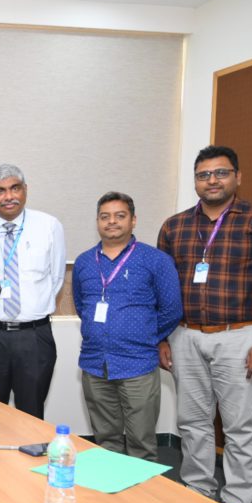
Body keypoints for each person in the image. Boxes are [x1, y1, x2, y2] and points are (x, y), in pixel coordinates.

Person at [158, 145, 252, 503]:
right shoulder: (174, 226)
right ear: (195, 182)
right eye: (203, 175)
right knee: (192, 423)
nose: (212, 180)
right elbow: (164, 289)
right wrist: (163, 338)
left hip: (241, 338)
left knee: (240, 428)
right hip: (185, 336)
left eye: (221, 173)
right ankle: (197, 489)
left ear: (237, 177)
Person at [73, 192, 182, 461]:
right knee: (105, 441)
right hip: (95, 363)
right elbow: (82, 305)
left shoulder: (156, 260)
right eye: (105, 216)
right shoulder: (84, 262)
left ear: (133, 220)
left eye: (120, 216)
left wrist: (146, 335)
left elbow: (171, 309)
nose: (112, 221)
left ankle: (144, 489)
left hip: (137, 364)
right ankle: (110, 487)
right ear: (97, 222)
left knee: (141, 443)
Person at [0, 163, 65, 419]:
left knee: (32, 414)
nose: (9, 196)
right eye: (0, 190)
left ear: (25, 189)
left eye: (15, 188)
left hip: (34, 336)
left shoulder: (49, 226)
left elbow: (56, 278)